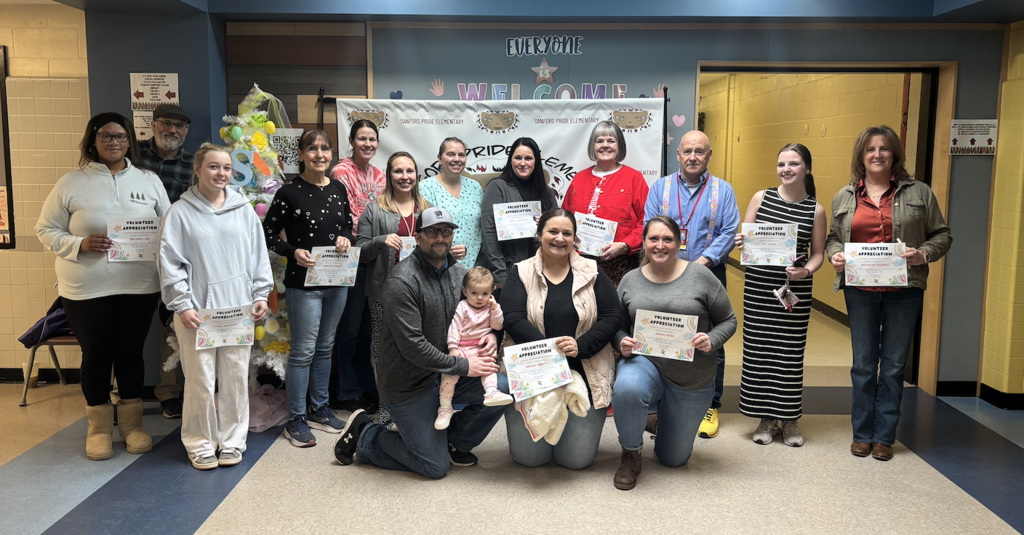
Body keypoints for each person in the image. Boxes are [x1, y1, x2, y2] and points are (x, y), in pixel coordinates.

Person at [333, 208, 509, 479]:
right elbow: (413, 346)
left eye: (446, 231)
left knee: (505, 386)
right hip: (409, 385)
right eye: (431, 231)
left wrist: (490, 335)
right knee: (434, 467)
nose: (440, 238)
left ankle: (455, 443)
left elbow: (478, 315)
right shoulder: (401, 280)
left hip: (447, 373)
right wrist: (464, 365)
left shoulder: (460, 275)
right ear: (417, 237)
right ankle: (368, 435)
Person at [36, 112, 170, 461]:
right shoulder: (70, 183)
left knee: (129, 352)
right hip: (85, 287)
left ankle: (132, 424)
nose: (114, 142)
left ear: (130, 141)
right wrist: (79, 244)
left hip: (139, 286)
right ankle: (97, 426)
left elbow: (170, 227)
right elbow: (45, 230)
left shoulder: (149, 179)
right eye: (107, 136)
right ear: (93, 140)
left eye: (121, 136)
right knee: (95, 355)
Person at [826, 126, 952, 462]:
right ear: (861, 156)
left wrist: (922, 254)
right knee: (864, 365)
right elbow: (832, 237)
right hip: (860, 290)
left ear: (894, 154)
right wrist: (835, 255)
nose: (877, 154)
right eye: (870, 149)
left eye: (883, 148)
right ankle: (861, 433)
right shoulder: (845, 196)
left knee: (894, 366)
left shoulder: (919, 193)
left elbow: (942, 235)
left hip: (904, 290)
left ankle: (884, 436)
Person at [158, 143, 273, 470]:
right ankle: (200, 443)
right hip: (196, 313)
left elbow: (258, 256)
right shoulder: (180, 212)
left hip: (238, 312)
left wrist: (260, 294)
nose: (221, 173)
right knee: (200, 380)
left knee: (236, 378)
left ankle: (233, 442)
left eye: (226, 168)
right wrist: (181, 304)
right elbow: (169, 262)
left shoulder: (243, 209)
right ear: (198, 169)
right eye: (213, 166)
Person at [612, 216, 738, 490]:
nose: (660, 245)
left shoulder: (700, 276)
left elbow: (729, 320)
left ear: (679, 243)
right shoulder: (630, 280)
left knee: (673, 459)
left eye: (667, 239)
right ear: (643, 243)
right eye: (653, 239)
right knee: (628, 387)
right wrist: (621, 341)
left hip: (691, 377)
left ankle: (656, 419)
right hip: (646, 363)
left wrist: (712, 339)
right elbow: (616, 326)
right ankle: (631, 452)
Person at [500, 208, 619, 470]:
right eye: (552, 231)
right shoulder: (519, 272)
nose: (559, 238)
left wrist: (581, 346)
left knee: (576, 461)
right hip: (533, 373)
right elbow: (512, 318)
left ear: (575, 238)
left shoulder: (592, 270)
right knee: (530, 459)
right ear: (539, 234)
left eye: (567, 233)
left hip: (585, 371)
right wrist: (551, 349)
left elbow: (612, 317)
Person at [644, 130, 739, 439]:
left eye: (700, 151)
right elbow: (651, 226)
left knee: (711, 340)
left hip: (708, 274)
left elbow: (728, 232)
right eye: (688, 151)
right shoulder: (661, 188)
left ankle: (710, 405)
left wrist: (700, 265)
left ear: (709, 155)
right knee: (664, 334)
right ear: (679, 155)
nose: (693, 157)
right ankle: (664, 404)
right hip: (663, 274)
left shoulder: (723, 191)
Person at [263, 130, 354, 447]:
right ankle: (296, 418)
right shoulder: (289, 192)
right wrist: (291, 252)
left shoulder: (339, 188)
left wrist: (346, 237)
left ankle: (320, 408)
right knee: (303, 351)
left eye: (325, 149)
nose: (319, 154)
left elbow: (346, 224)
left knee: (325, 347)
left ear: (331, 154)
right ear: (301, 154)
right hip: (303, 282)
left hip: (337, 280)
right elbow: (268, 233)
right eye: (312, 149)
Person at [734, 143, 826, 447]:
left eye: (794, 164)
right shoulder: (762, 198)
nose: (786, 169)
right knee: (759, 351)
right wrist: (741, 241)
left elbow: (818, 254)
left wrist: (806, 272)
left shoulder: (816, 209)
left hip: (793, 292)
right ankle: (766, 418)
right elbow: (746, 238)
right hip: (759, 288)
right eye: (781, 164)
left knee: (789, 355)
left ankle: (789, 419)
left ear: (807, 169)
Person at [356, 151, 432, 429]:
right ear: (389, 175)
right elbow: (360, 253)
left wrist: (452, 251)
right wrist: (379, 240)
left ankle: (417, 409)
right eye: (398, 171)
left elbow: (437, 249)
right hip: (383, 293)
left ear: (416, 175)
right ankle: (388, 413)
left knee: (420, 351)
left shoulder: (427, 209)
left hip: (421, 293)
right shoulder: (374, 208)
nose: (404, 177)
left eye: (409, 171)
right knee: (384, 353)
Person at [136, 103, 195, 419]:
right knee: (127, 329)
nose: (173, 131)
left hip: (175, 257)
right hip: (132, 257)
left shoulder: (193, 164)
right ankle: (123, 395)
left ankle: (169, 392)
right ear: (154, 124)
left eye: (180, 126)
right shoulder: (134, 158)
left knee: (171, 327)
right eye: (167, 124)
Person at [328, 119, 385, 413]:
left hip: (376, 256)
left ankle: (366, 384)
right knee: (350, 327)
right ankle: (347, 390)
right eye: (362, 139)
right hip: (351, 256)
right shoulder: (341, 171)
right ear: (351, 141)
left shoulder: (380, 174)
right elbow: (347, 214)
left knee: (367, 327)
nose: (368, 144)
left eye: (372, 139)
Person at [561, 121, 649, 286]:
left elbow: (647, 221)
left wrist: (624, 245)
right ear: (593, 146)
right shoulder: (579, 178)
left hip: (621, 264)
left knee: (617, 309)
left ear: (619, 145)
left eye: (611, 141)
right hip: (579, 262)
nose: (605, 145)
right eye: (599, 141)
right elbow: (565, 216)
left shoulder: (634, 178)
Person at [437, 267, 511, 430]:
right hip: (462, 347)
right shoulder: (463, 307)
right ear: (465, 291)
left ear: (491, 292)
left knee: (489, 368)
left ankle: (491, 392)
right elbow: (454, 328)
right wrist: (453, 347)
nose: (479, 298)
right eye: (474, 293)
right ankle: (445, 406)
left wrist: (495, 308)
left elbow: (497, 326)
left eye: (485, 294)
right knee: (450, 374)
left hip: (479, 348)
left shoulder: (490, 307)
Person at [480, 137, 559, 290]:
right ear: (511, 161)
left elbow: (558, 233)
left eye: (528, 158)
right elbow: (489, 232)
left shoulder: (547, 192)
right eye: (518, 158)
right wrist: (500, 275)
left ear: (536, 161)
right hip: (509, 272)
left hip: (544, 272)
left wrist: (547, 224)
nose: (523, 163)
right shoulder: (497, 187)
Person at [420, 137, 481, 267]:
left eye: (461, 155)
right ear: (440, 159)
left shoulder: (475, 187)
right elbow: (424, 230)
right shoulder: (426, 188)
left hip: (476, 266)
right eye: (451, 154)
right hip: (440, 264)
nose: (457, 159)